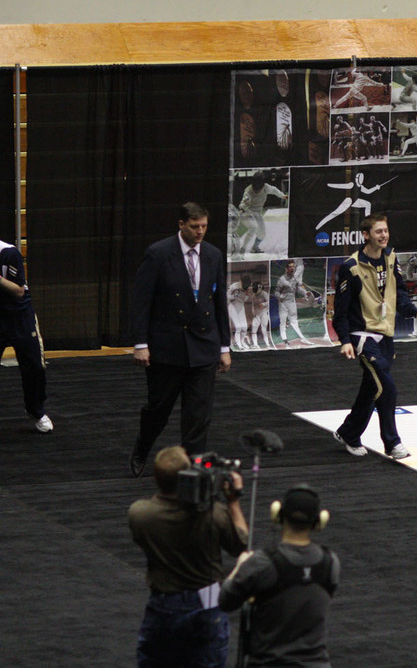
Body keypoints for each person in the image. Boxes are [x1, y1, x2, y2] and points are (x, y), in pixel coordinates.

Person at [129, 203, 231, 478]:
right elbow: (141, 302)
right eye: (195, 226)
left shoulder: (213, 255)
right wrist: (141, 343)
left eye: (204, 226)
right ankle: (143, 446)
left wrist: (224, 346)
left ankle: (192, 468)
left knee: (198, 415)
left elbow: (219, 300)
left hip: (204, 346)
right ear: (181, 224)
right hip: (167, 348)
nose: (200, 232)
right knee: (158, 410)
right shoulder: (159, 254)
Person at [129, 445, 248, 667]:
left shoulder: (140, 514)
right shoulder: (213, 514)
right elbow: (241, 543)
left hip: (164, 601)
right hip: (208, 598)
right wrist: (233, 500)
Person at [331, 213, 417, 460]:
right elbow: (340, 312)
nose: (384, 235)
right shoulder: (351, 267)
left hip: (385, 334)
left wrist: (415, 312)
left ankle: (349, 432)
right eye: (378, 231)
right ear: (366, 235)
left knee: (371, 389)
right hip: (362, 336)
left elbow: (400, 294)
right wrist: (345, 341)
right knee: (386, 386)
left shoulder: (391, 258)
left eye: (385, 230)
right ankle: (392, 443)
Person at [219, 484, 341, 668]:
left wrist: (239, 567)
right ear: (319, 521)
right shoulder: (330, 563)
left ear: (277, 514)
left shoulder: (263, 563)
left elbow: (226, 600)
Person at [0, 237, 52, 433]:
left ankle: (36, 410)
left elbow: (19, 291)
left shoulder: (8, 252)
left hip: (19, 316)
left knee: (35, 368)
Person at [236, 171, 287, 257]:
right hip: (247, 212)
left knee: (262, 234)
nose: (258, 185)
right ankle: (242, 249)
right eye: (257, 183)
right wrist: (242, 208)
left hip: (257, 213)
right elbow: (243, 203)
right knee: (253, 227)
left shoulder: (266, 187)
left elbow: (274, 190)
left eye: (260, 183)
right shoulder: (248, 191)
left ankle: (254, 248)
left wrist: (283, 196)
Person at [274, 260, 315, 347]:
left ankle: (302, 338)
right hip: (283, 304)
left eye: (293, 267)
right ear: (286, 269)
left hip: (292, 303)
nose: (292, 268)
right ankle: (285, 340)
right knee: (283, 322)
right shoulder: (282, 280)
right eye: (290, 267)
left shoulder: (294, 278)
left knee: (294, 321)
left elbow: (297, 288)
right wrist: (281, 297)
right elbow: (276, 292)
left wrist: (305, 293)